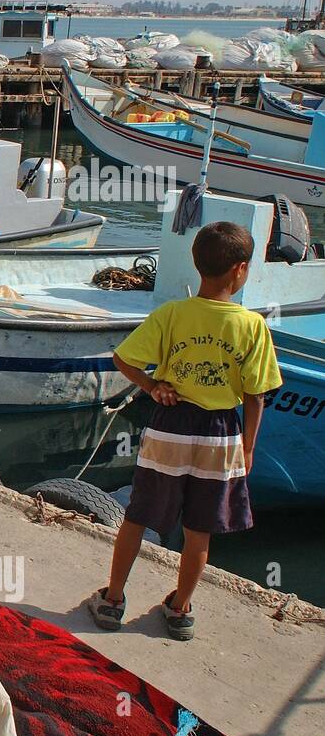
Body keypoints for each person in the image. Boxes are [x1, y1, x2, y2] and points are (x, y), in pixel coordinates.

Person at [87, 222, 282, 642]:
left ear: (197, 265)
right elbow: (256, 396)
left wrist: (154, 387)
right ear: (241, 270)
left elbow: (124, 360)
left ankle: (113, 600)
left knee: (138, 516)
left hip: (170, 426)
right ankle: (179, 610)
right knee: (200, 529)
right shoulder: (253, 327)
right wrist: (247, 449)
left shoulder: (172, 314)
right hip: (220, 434)